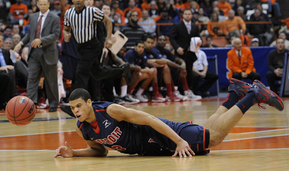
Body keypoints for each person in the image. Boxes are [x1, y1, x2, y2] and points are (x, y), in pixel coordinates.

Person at [55, 79, 284, 158]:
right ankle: (235, 93)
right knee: (206, 133)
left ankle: (253, 95)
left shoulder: (111, 111)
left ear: (88, 103)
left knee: (213, 138)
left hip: (158, 134)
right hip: (149, 149)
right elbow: (100, 151)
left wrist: (179, 141)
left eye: (78, 106)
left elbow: (150, 119)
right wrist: (73, 153)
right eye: (72, 108)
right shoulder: (82, 128)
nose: (75, 111)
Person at [62, 0, 131, 91]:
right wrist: (66, 34)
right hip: (81, 47)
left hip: (92, 45)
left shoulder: (92, 11)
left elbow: (108, 21)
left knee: (80, 72)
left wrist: (108, 38)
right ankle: (122, 70)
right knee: (97, 73)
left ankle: (75, 101)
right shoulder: (69, 13)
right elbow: (66, 28)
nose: (77, 0)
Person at [14, 0, 60, 112]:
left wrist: (41, 40)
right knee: (32, 79)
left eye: (45, 4)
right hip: (34, 52)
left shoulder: (54, 18)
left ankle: (53, 104)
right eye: (41, 4)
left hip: (48, 52)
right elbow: (30, 33)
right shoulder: (33, 17)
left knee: (51, 80)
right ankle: (30, 104)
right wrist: (20, 43)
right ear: (37, 5)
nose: (43, 6)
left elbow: (55, 35)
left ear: (49, 5)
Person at [170, 8, 199, 86]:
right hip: (180, 53)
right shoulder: (177, 25)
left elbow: (198, 38)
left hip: (190, 53)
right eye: (186, 14)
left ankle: (189, 90)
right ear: (183, 15)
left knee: (189, 73)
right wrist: (177, 47)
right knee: (180, 72)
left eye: (189, 14)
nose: (187, 16)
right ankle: (180, 90)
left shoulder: (195, 26)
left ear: (191, 15)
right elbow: (172, 38)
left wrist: (198, 45)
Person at [0, 33, 17, 99]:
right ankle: (13, 96)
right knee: (11, 72)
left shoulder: (6, 52)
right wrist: (2, 68)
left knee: (18, 63)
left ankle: (28, 77)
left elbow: (11, 64)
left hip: (9, 72)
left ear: (2, 42)